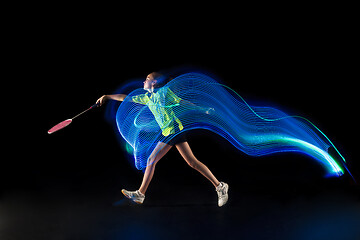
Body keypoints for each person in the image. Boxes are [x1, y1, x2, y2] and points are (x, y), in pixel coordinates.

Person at [96, 72, 229, 207]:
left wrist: (203, 109)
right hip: (167, 133)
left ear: (154, 82)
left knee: (186, 162)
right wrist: (107, 97)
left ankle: (220, 186)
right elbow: (125, 98)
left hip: (175, 130)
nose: (143, 82)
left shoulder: (165, 93)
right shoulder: (147, 98)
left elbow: (182, 102)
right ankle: (140, 194)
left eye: (147, 79)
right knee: (181, 161)